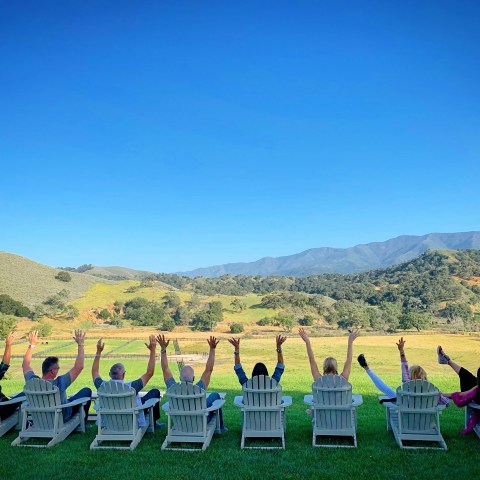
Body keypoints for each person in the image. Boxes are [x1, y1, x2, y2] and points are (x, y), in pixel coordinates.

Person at [156, 334, 226, 432]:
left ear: (180, 378)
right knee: (215, 395)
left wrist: (163, 349)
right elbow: (209, 369)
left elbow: (165, 369)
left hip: (180, 423)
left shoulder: (173, 388)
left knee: (213, 396)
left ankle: (221, 427)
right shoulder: (199, 388)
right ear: (193, 378)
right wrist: (212, 349)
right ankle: (221, 428)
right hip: (200, 423)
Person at [22, 330, 92, 423]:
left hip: (40, 419)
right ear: (53, 371)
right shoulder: (59, 383)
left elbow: (25, 365)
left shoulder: (32, 381)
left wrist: (32, 345)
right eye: (58, 368)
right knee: (86, 391)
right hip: (61, 417)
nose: (58, 370)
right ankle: (84, 423)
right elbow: (79, 367)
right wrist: (80, 345)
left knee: (68, 399)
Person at [92, 336, 162, 428]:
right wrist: (153, 350)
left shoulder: (101, 386)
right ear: (124, 374)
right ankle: (154, 423)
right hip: (131, 417)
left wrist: (98, 352)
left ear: (110, 374)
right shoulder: (132, 387)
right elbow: (149, 373)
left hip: (110, 418)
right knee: (155, 392)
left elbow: (94, 372)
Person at [357, 337, 450, 406]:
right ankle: (367, 368)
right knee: (390, 392)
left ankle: (367, 369)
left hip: (407, 420)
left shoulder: (407, 384)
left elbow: (404, 366)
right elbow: (447, 403)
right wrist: (440, 395)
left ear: (410, 376)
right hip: (425, 424)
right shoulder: (433, 391)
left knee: (386, 389)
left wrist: (401, 350)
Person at [437, 345, 479, 434]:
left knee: (468, 378)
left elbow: (462, 395)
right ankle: (447, 360)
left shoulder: (476, 389)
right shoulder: (476, 388)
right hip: (476, 392)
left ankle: (447, 360)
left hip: (477, 398)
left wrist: (441, 395)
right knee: (468, 376)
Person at [0, 332, 26, 420]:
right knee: (27, 393)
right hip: (3, 409)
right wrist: (8, 345)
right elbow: (5, 365)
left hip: (4, 406)